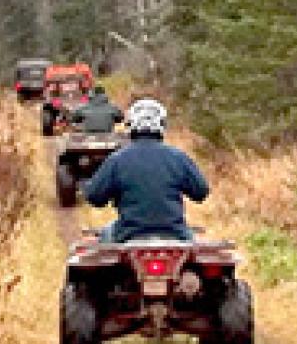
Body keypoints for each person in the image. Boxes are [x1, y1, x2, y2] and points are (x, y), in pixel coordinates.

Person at [85, 98, 209, 243]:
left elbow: (95, 197)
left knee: (101, 241)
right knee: (197, 245)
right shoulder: (178, 157)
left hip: (128, 234)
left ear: (130, 125)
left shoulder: (117, 159)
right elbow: (201, 192)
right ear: (162, 125)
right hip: (175, 233)